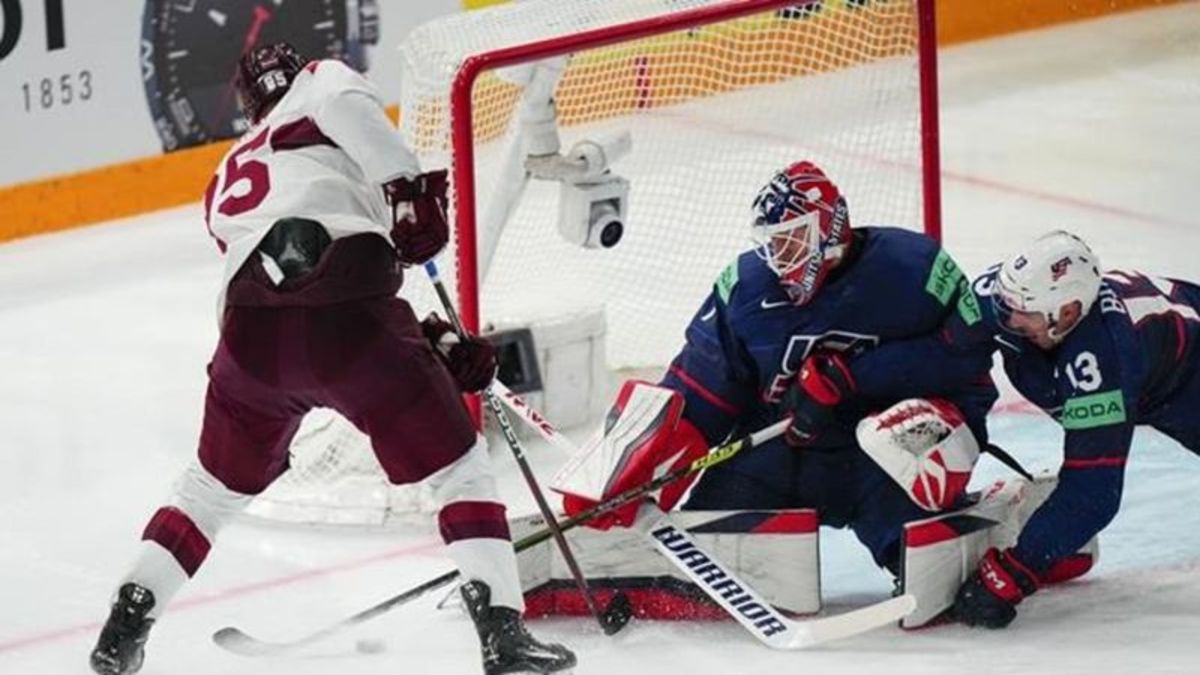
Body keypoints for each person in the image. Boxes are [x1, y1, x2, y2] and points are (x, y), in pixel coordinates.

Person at [89, 43, 575, 675]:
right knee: (460, 471)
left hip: (250, 341)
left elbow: (291, 294)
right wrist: (406, 190)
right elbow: (342, 293)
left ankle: (126, 622)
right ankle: (503, 635)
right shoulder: (322, 84)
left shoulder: (226, 176)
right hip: (351, 320)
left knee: (206, 492)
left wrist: (429, 344)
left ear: (246, 107)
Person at [558, 160, 998, 577]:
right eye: (771, 243)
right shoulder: (746, 288)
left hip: (885, 458)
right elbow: (700, 388)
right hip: (779, 450)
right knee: (707, 548)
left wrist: (856, 378)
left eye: (791, 239)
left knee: (929, 554)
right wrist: (634, 466)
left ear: (832, 226)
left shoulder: (915, 268)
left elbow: (967, 358)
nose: (779, 257)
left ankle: (929, 540)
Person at [948, 230, 1200, 628]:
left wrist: (1016, 571)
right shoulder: (1010, 295)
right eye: (1006, 304)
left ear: (1066, 312)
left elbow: (1093, 493)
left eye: (1022, 312)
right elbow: (943, 343)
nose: (1007, 318)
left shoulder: (1100, 360)